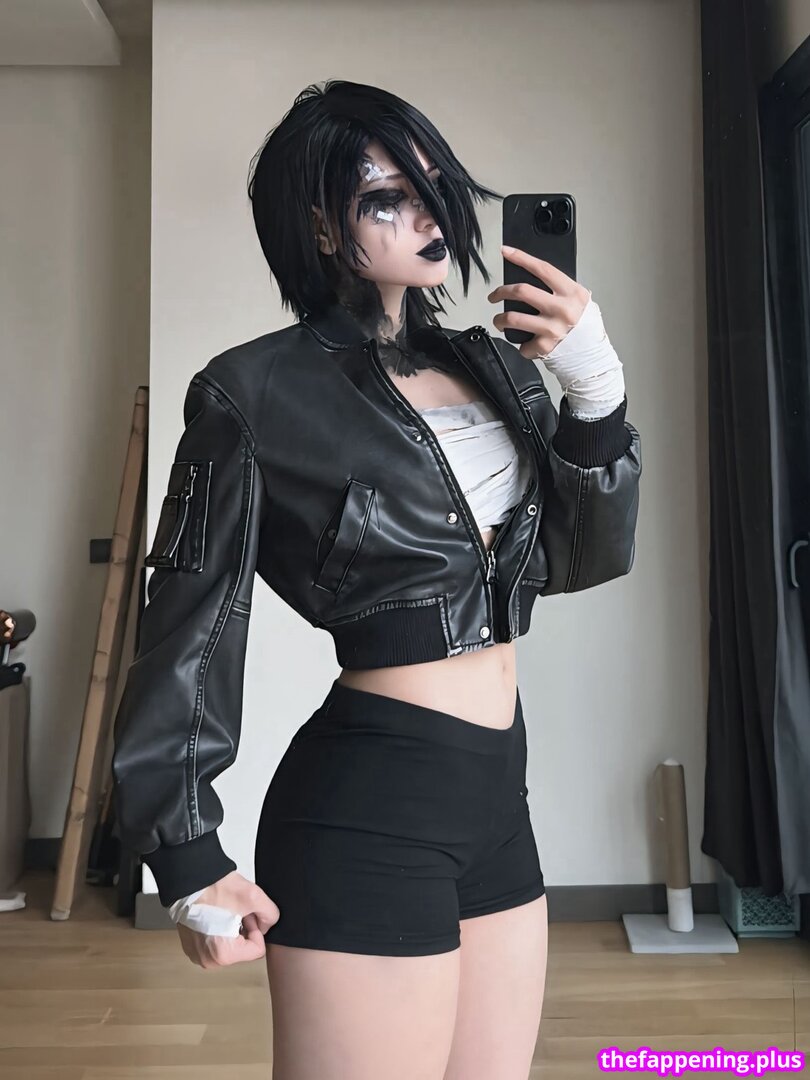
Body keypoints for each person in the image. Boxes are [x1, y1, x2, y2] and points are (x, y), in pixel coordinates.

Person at [111, 79, 641, 1080]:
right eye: (386, 198)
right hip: (367, 808)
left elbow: (580, 558)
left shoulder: (499, 368)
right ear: (321, 225)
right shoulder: (252, 392)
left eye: (433, 186)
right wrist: (183, 854)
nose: (429, 214)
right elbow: (188, 627)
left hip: (499, 801)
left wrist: (595, 391)